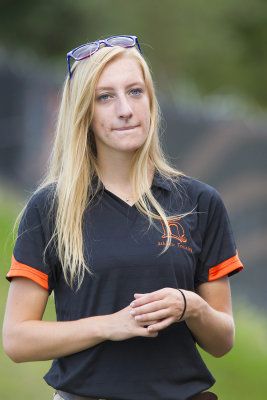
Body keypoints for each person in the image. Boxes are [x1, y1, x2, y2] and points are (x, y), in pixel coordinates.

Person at [3, 35, 243, 400]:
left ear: (150, 101)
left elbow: (222, 341)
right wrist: (109, 325)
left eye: (135, 92)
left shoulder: (200, 202)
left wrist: (190, 306)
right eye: (105, 97)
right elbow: (18, 340)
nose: (125, 109)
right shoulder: (50, 208)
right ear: (84, 112)